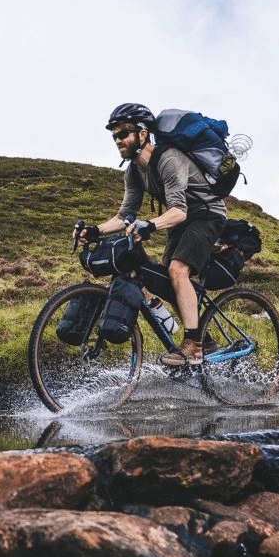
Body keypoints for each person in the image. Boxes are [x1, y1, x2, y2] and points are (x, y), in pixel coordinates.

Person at [75, 103, 227, 366]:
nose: (118, 140)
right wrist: (95, 230)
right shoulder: (134, 170)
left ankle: (194, 347)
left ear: (143, 134)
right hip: (182, 221)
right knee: (167, 281)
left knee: (178, 270)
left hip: (206, 214)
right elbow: (124, 216)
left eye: (123, 133)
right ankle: (206, 338)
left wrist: (149, 225)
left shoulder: (168, 159)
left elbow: (178, 210)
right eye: (114, 135)